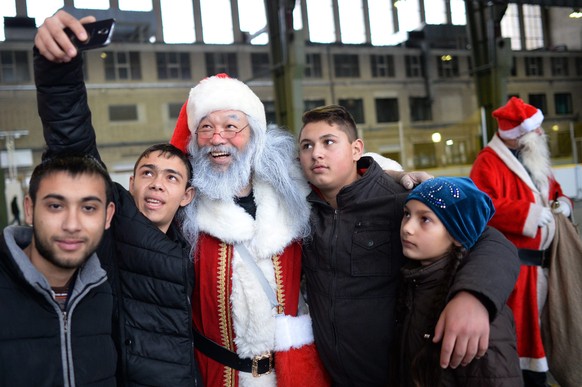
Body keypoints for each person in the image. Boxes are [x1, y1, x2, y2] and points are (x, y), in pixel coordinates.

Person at [297, 105, 521, 386]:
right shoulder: (298, 211)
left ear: (356, 150)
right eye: (307, 145)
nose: (316, 153)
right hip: (337, 377)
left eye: (329, 142)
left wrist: (475, 298)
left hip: (399, 374)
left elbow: (491, 240)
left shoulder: (402, 200)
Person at [34, 10, 201, 386]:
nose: (157, 183)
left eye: (171, 177)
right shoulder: (113, 224)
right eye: (148, 173)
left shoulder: (195, 244)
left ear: (187, 196)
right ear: (130, 184)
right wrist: (58, 72)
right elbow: (71, 144)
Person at [470, 97, 572, 387]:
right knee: (521, 336)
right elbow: (482, 205)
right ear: (518, 135)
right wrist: (527, 214)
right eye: (535, 130)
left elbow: (553, 189)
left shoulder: (533, 158)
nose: (541, 134)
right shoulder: (487, 162)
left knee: (546, 330)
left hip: (546, 265)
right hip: (517, 269)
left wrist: (561, 202)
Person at [0, 154, 117, 386]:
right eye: (55, 206)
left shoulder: (103, 291)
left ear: (108, 216)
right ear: (30, 209)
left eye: (88, 208)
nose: (72, 225)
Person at [396, 176, 522, 386]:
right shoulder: (415, 284)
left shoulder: (478, 318)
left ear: (457, 234)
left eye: (425, 219)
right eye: (407, 214)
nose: (407, 228)